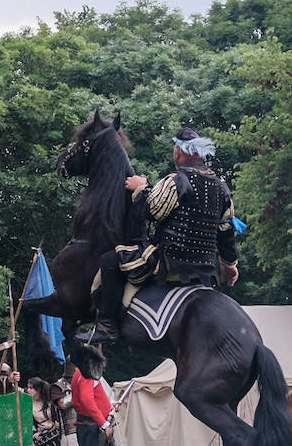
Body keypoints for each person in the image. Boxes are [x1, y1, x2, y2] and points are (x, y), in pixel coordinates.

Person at [92, 128, 238, 341]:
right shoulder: (222, 187)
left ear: (179, 151)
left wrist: (141, 188)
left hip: (170, 262)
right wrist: (230, 265)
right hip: (206, 268)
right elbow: (226, 232)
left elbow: (151, 211)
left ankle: (107, 326)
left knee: (109, 261)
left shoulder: (176, 180)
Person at [69, 343, 147, 446]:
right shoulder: (85, 375)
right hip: (92, 427)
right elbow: (86, 400)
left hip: (93, 425)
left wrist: (110, 404)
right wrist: (104, 424)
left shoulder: (81, 373)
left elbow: (93, 400)